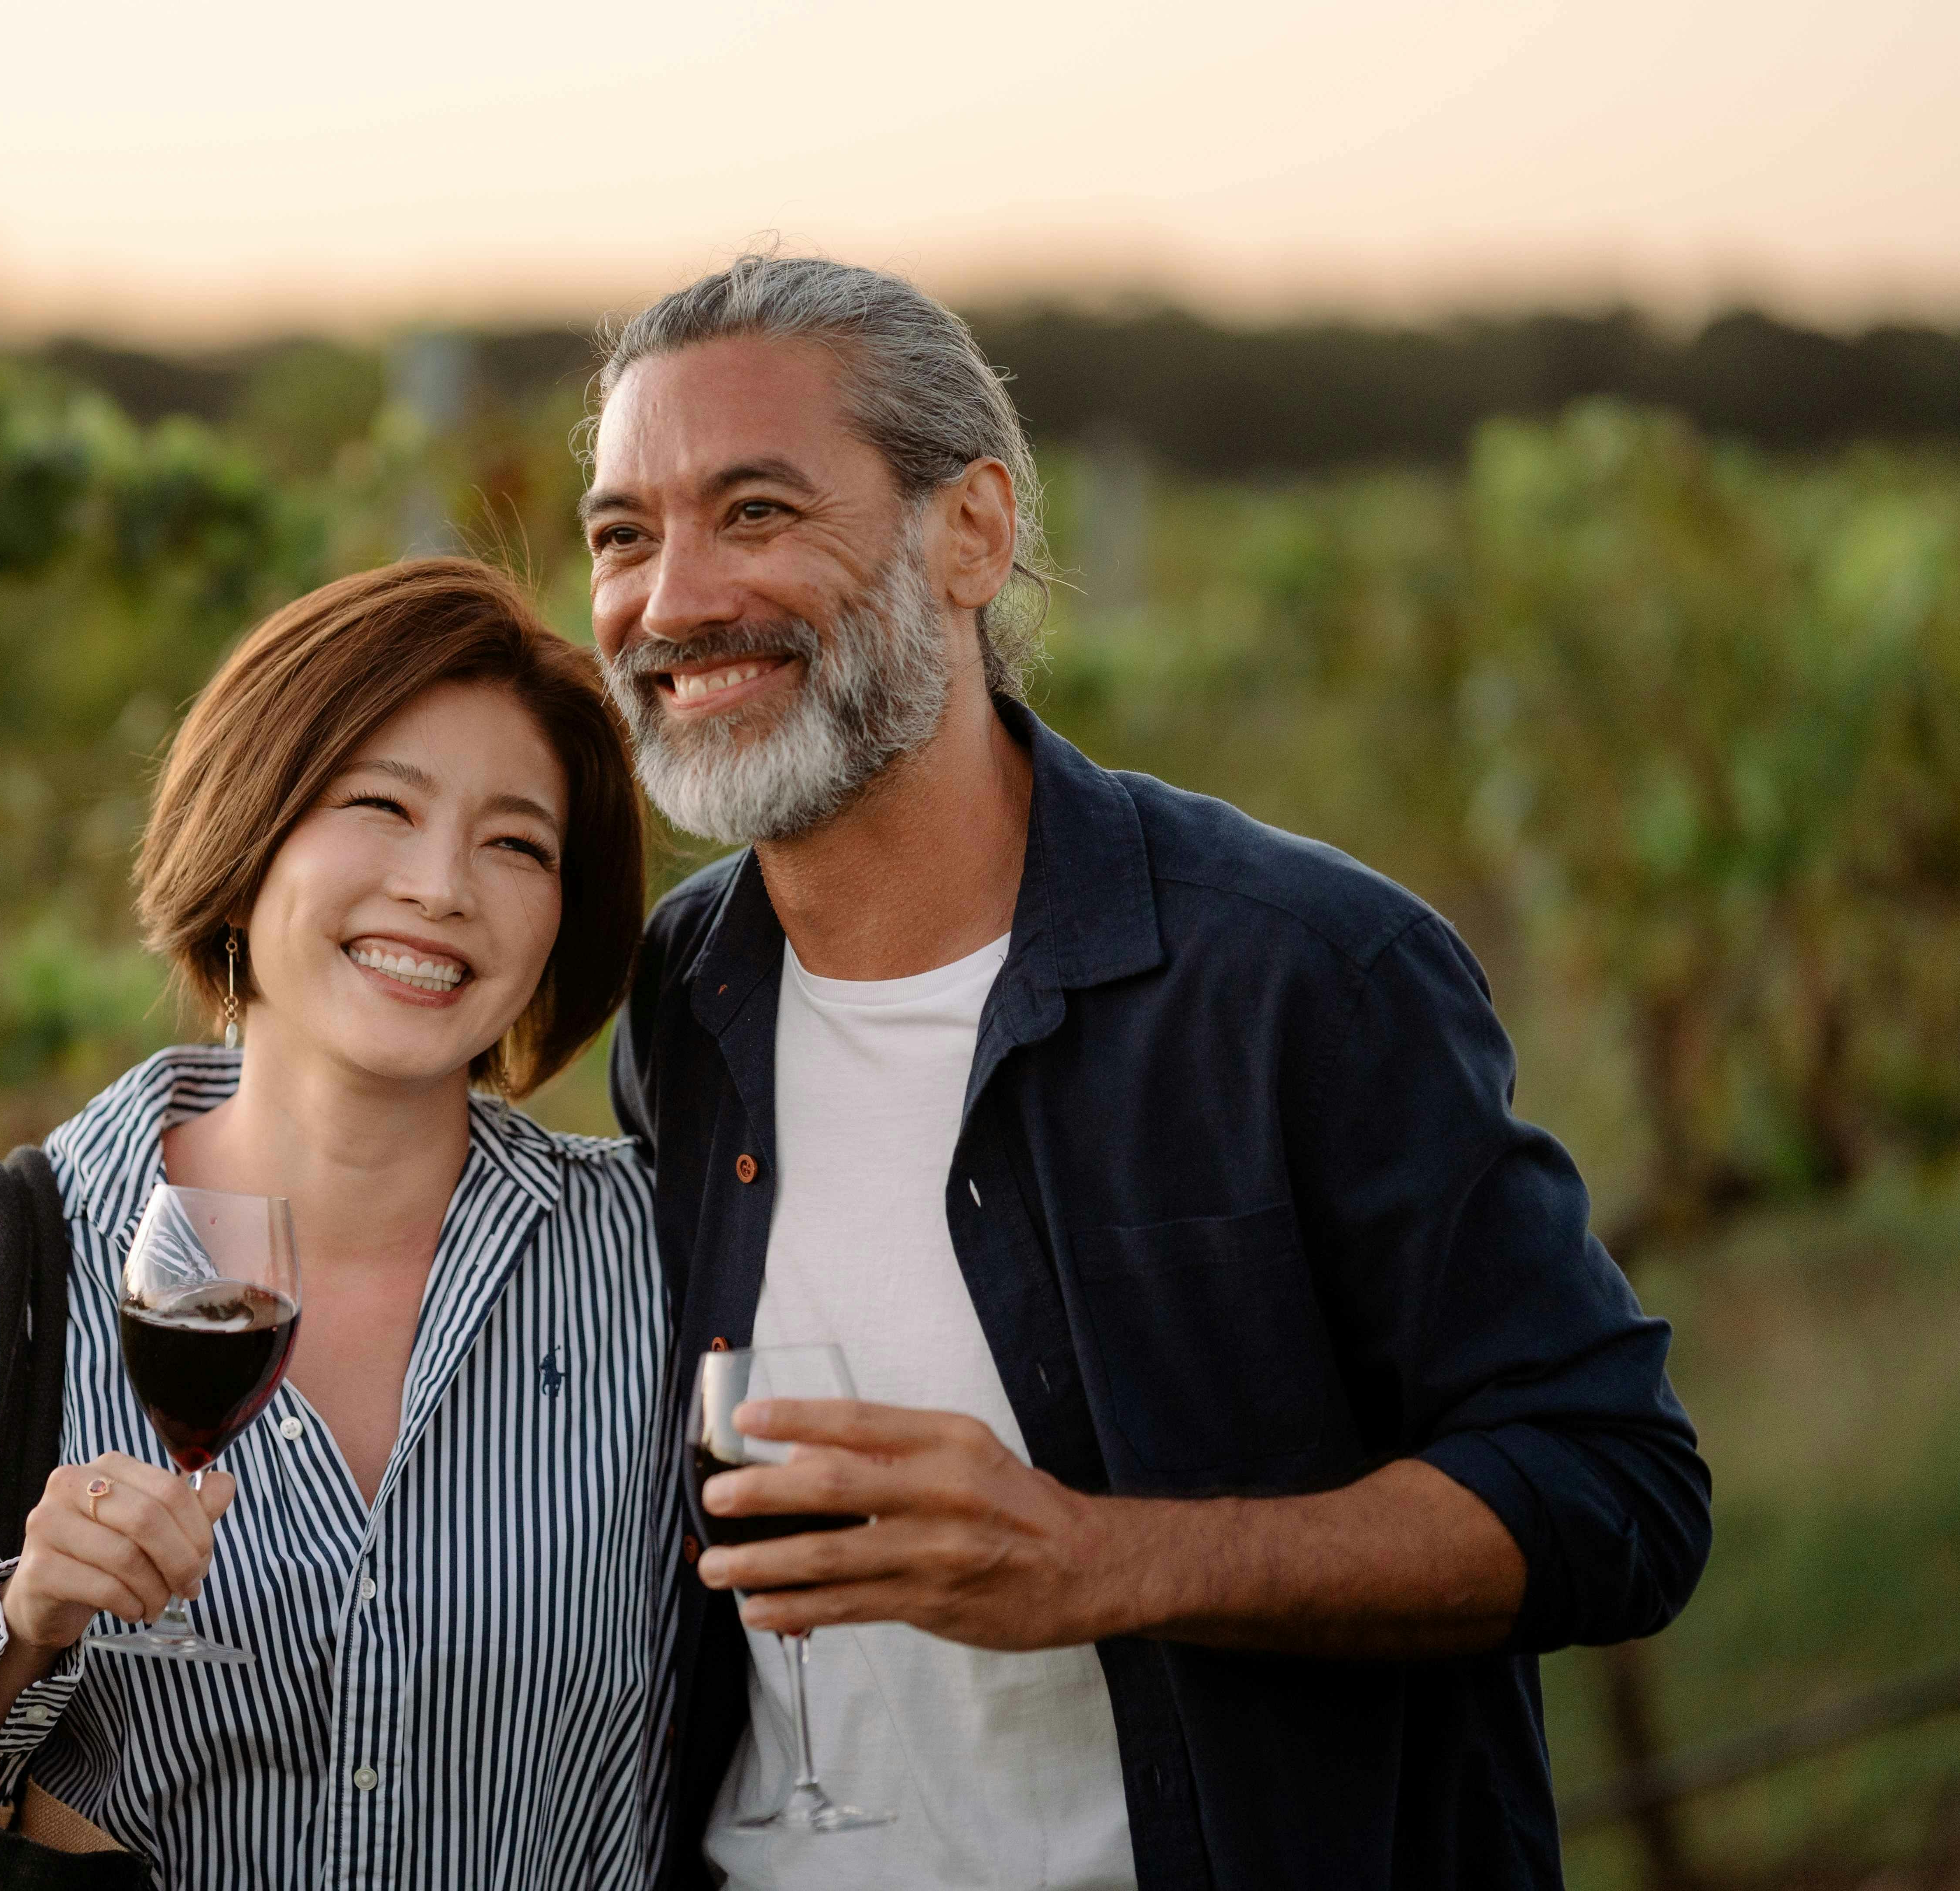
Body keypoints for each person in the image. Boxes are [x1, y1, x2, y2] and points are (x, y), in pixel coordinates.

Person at [584, 256, 1712, 1888]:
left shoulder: (1303, 974)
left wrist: (1108, 1563)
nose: (674, 601)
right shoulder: (683, 1000)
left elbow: (1618, 1491)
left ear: (972, 533)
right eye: (625, 535)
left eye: (755, 512)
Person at [0, 560, 672, 1890]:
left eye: (516, 845)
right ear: (250, 838)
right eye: (381, 805)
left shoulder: (649, 1265)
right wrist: (18, 1627)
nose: (442, 887)